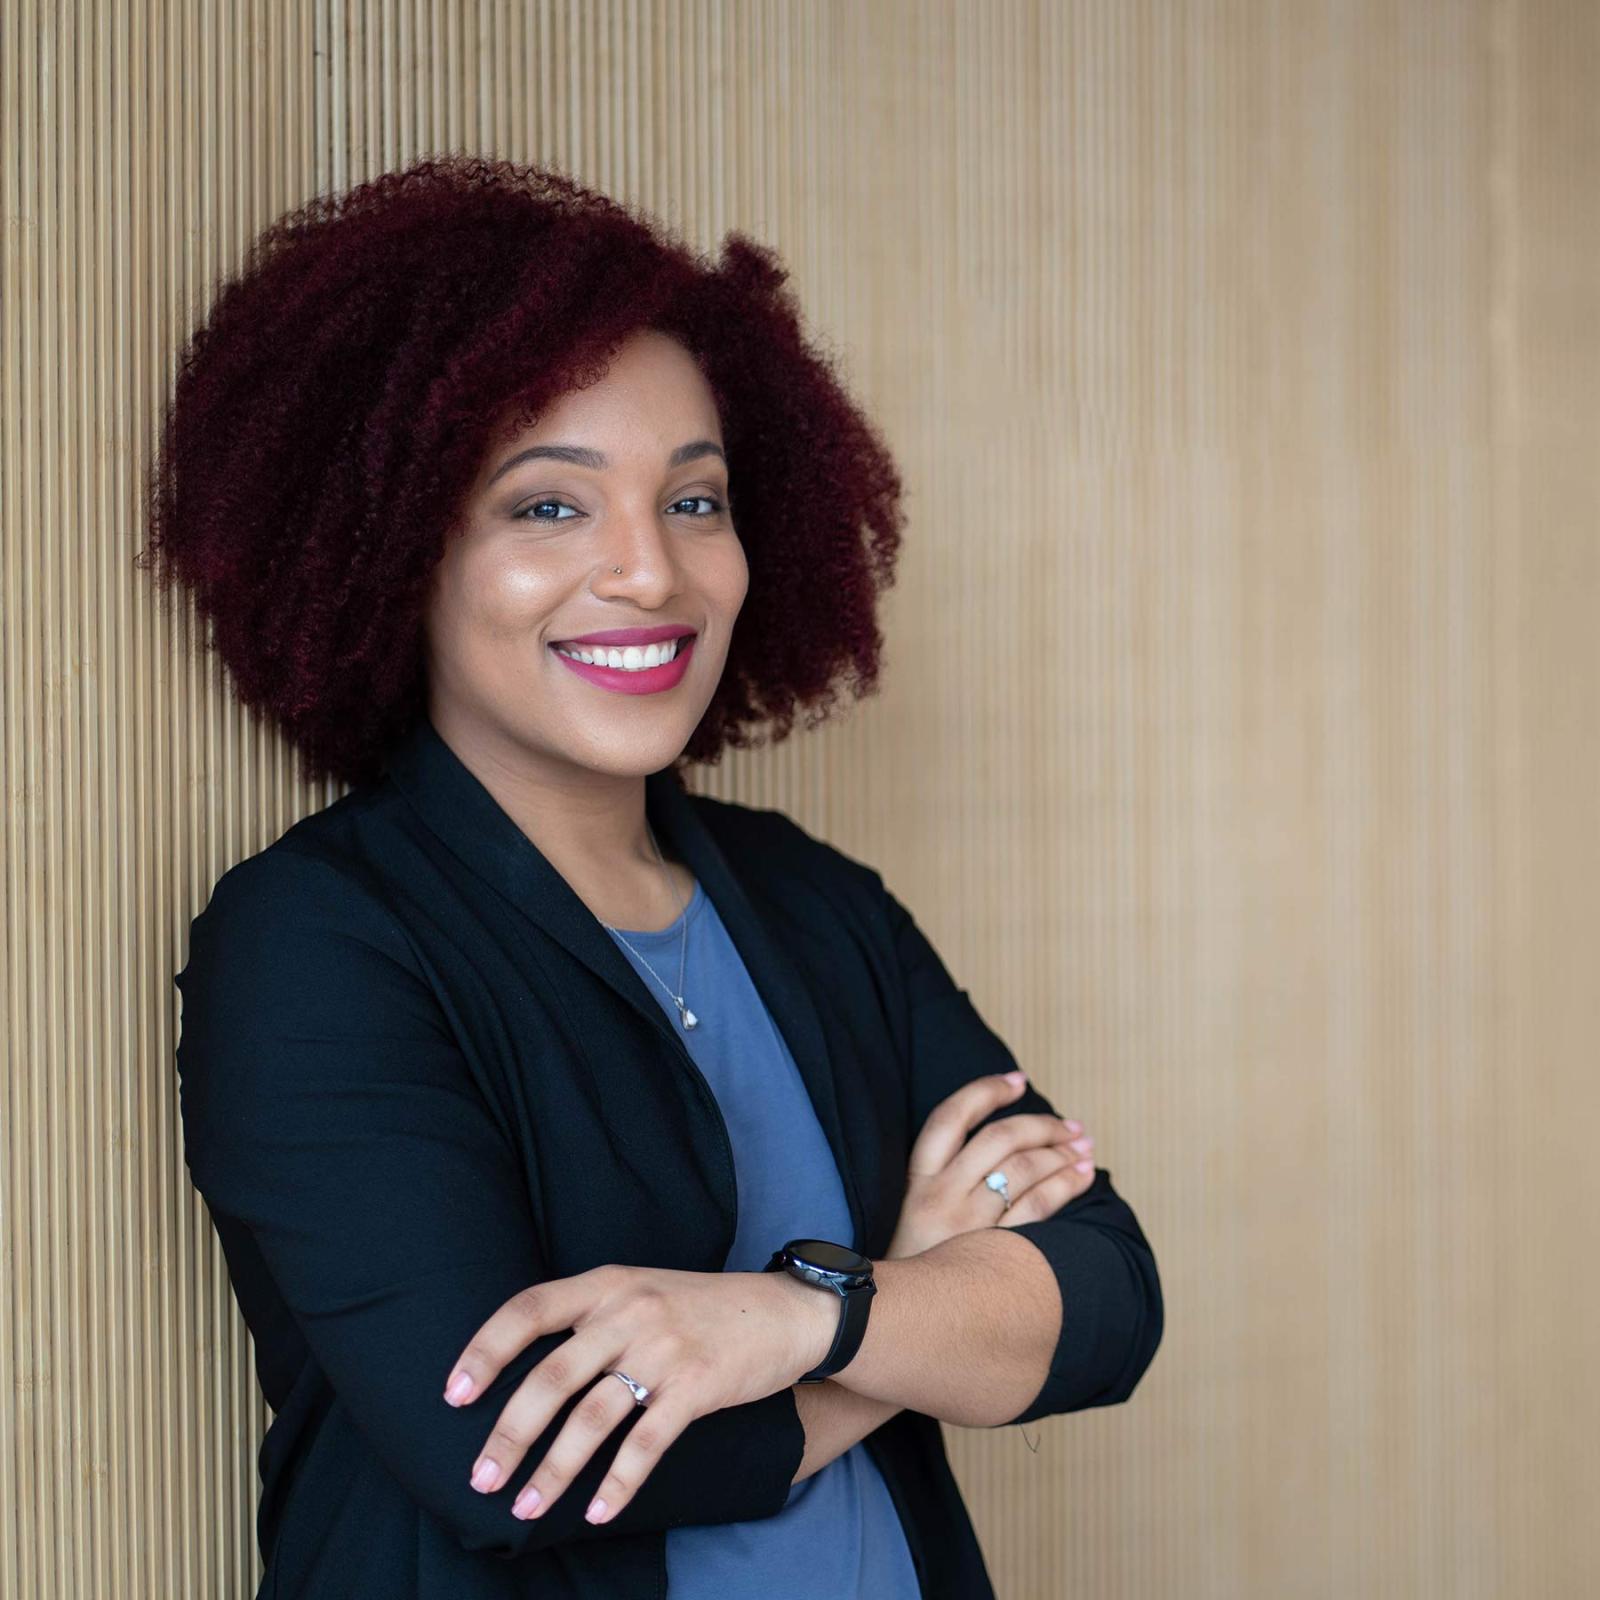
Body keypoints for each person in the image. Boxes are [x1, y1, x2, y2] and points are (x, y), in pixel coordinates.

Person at [139, 155, 1163, 1600]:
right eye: (549, 507)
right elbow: (519, 1458)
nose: (650, 575)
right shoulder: (318, 942)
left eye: (696, 500)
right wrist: (890, 1320)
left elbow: (1109, 1297)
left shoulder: (814, 903)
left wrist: (796, 1323)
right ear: (394, 545)